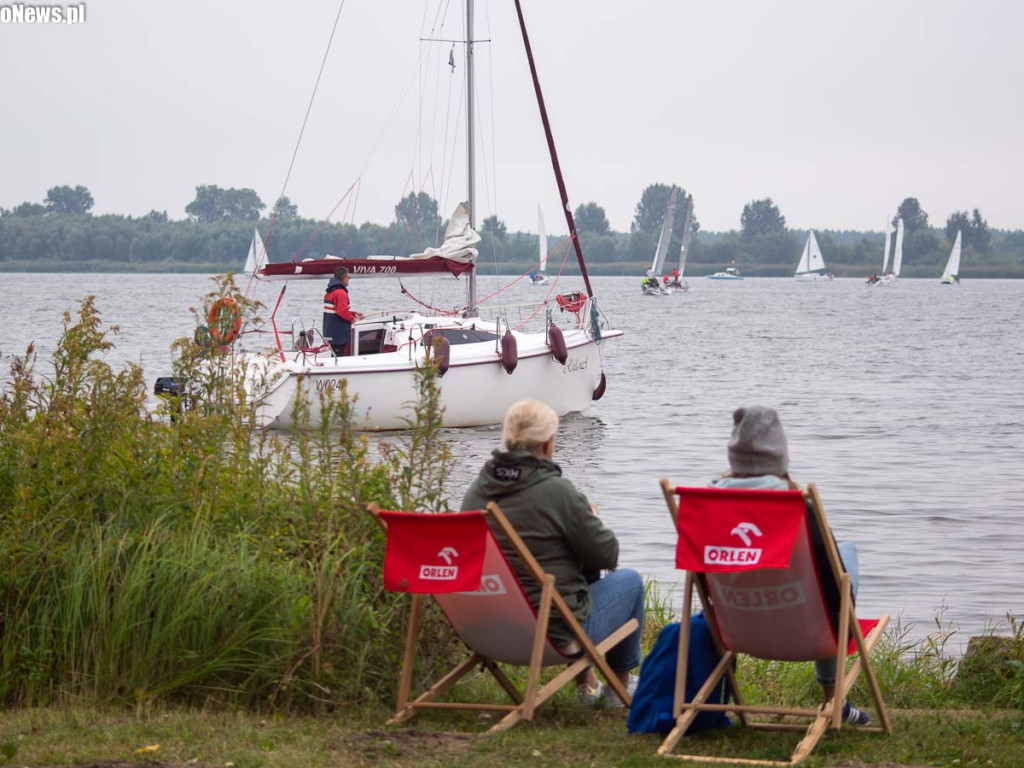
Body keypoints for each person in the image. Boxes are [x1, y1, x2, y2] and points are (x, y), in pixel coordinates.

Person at [461, 399, 645, 707]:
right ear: (547, 444)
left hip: (484, 628)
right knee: (631, 581)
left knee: (572, 566)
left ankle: (587, 685)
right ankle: (618, 690)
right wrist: (593, 521)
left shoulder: (477, 489)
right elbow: (608, 554)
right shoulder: (557, 492)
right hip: (548, 636)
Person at [711, 405, 872, 726]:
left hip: (737, 631)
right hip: (807, 632)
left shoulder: (710, 505)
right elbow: (834, 593)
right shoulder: (799, 508)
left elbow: (704, 581)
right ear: (780, 458)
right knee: (845, 556)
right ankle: (832, 699)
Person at [322, 267, 364, 356]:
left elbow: (336, 310)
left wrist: (354, 314)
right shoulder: (341, 293)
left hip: (330, 330)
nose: (348, 280)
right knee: (339, 354)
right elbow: (341, 311)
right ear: (344, 278)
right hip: (339, 332)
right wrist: (352, 319)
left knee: (335, 353)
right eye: (348, 277)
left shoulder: (330, 292)